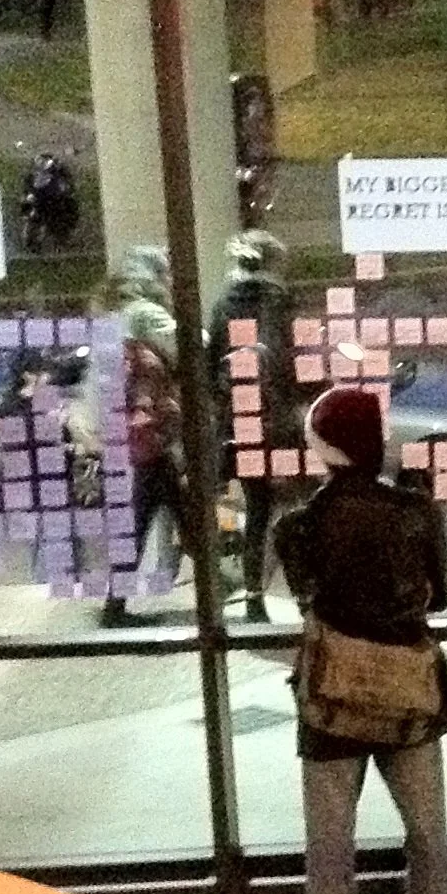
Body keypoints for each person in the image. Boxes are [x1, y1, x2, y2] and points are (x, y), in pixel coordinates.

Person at [274, 385, 447, 894]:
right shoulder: (417, 512)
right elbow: (438, 598)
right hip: (411, 697)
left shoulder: (298, 526)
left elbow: (307, 594)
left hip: (333, 698)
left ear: (322, 446)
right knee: (428, 838)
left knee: (330, 842)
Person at [204, 231, 297, 620]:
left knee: (244, 501)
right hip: (274, 419)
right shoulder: (279, 300)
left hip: (236, 417)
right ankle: (287, 592)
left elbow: (210, 365)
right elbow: (290, 359)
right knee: (278, 508)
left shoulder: (223, 302)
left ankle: (249, 593)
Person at [101, 246, 187, 625]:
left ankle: (115, 605)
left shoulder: (120, 332)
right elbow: (186, 349)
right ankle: (114, 606)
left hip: (144, 441)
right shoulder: (140, 333)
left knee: (167, 516)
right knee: (156, 518)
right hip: (150, 440)